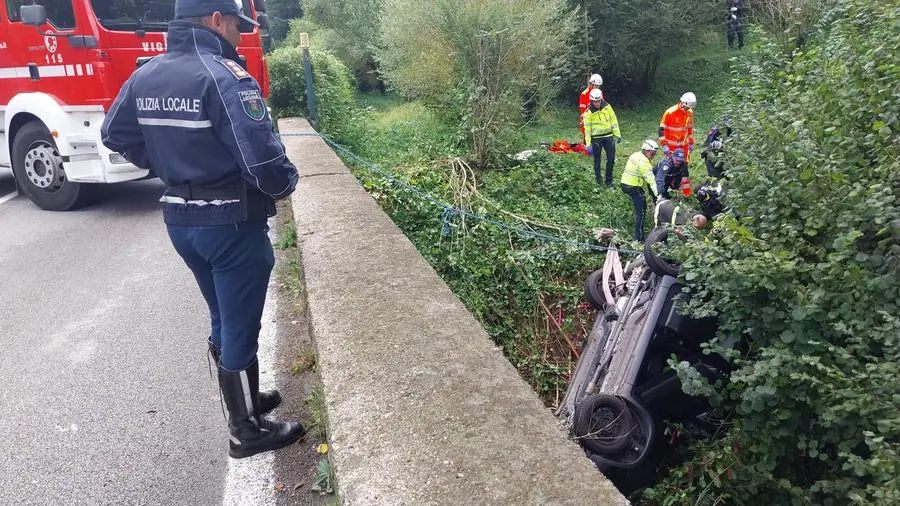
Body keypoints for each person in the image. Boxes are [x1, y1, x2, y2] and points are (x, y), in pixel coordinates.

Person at [100, 0, 305, 460]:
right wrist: (287, 184)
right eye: (236, 24)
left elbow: (114, 133)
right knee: (239, 324)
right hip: (230, 223)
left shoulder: (145, 75)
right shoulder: (224, 76)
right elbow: (263, 158)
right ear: (216, 20)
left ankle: (247, 405)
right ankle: (245, 431)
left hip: (181, 223)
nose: (238, 34)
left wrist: (170, 167)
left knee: (222, 316)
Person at [620, 140, 660, 241]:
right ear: (646, 151)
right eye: (652, 153)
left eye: (655, 153)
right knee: (641, 211)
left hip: (624, 183)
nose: (654, 155)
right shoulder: (644, 162)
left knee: (641, 200)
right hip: (633, 187)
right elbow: (651, 181)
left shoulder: (636, 154)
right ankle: (639, 238)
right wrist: (658, 195)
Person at [582, 88, 621, 187]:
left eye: (599, 101)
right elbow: (587, 129)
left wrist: (617, 134)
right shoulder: (588, 112)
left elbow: (613, 120)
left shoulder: (607, 107)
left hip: (608, 136)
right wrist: (588, 144)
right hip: (596, 138)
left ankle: (609, 181)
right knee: (597, 160)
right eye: (595, 102)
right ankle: (599, 181)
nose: (597, 103)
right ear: (592, 101)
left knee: (611, 159)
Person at [659, 92, 696, 163]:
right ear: (682, 103)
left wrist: (691, 142)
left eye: (689, 108)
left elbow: (690, 128)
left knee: (684, 165)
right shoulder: (670, 113)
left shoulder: (690, 112)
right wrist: (664, 145)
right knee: (671, 165)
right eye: (687, 107)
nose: (687, 109)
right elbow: (661, 130)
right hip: (671, 147)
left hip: (684, 146)